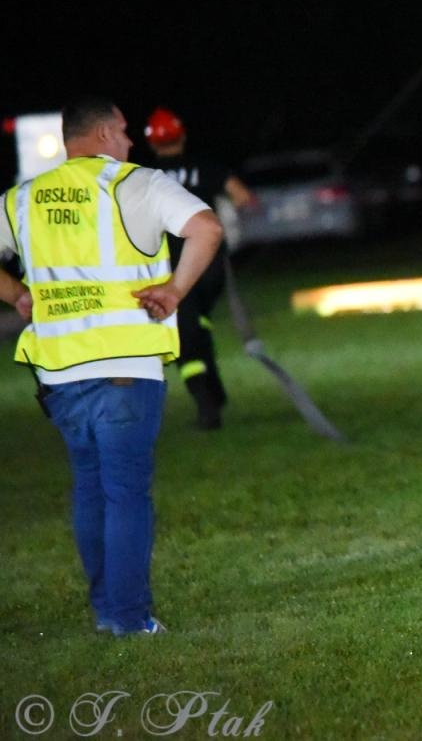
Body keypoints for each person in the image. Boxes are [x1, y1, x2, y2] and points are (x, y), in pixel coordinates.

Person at [0, 97, 223, 636]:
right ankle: (128, 617)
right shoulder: (137, 184)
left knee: (90, 486)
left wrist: (17, 295)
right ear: (102, 133)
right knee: (125, 493)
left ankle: (107, 609)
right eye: (123, 132)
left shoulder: (22, 198)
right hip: (126, 366)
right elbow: (207, 228)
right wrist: (174, 290)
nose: (130, 142)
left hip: (59, 372)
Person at [143, 106, 256, 429]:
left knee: (183, 336)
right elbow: (243, 197)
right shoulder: (205, 167)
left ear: (152, 143)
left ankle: (208, 406)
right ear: (182, 134)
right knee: (197, 327)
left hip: (172, 269)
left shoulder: (147, 178)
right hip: (211, 267)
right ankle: (214, 395)